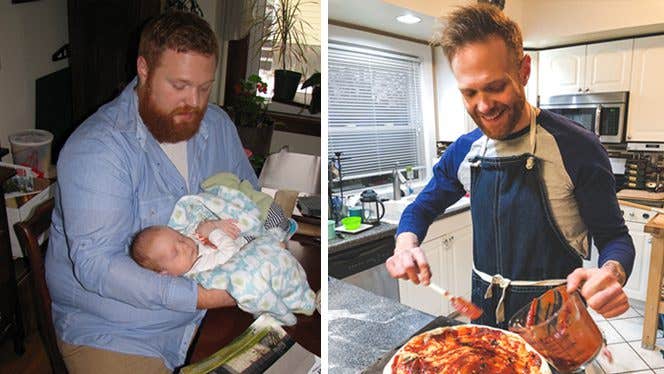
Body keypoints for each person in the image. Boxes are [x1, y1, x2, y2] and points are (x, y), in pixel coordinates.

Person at [385, 3, 635, 329]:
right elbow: (419, 209)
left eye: (495, 87)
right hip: (485, 316)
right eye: (469, 92)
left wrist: (611, 273)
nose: (483, 105)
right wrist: (405, 245)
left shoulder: (577, 148)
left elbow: (615, 237)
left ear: (524, 70)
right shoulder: (464, 150)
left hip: (555, 321)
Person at [44, 11, 257, 373]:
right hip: (117, 330)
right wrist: (210, 295)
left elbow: (250, 200)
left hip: (210, 303)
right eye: (179, 85)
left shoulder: (218, 126)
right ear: (143, 69)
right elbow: (98, 266)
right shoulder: (98, 149)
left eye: (204, 88)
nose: (194, 103)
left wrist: (265, 244)